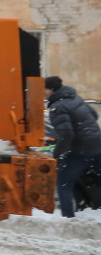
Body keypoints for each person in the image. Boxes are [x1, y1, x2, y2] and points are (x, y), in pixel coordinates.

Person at [45, 75, 101, 218]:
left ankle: (68, 220)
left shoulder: (57, 107)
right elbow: (94, 115)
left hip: (80, 150)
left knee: (64, 184)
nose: (42, 93)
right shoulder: (75, 97)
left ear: (51, 89)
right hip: (97, 143)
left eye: (44, 90)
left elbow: (66, 135)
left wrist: (58, 155)